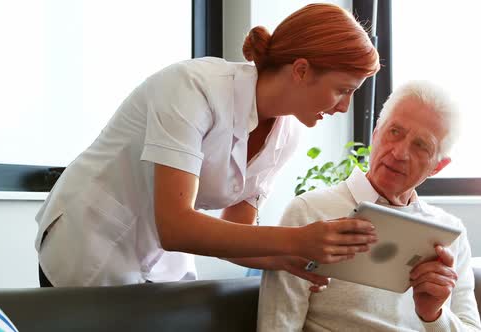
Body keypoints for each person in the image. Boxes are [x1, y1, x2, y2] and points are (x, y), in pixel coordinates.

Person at [35, 3, 380, 287]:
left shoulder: (287, 134)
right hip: (89, 238)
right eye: (343, 90)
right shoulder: (193, 88)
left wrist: (292, 260)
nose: (343, 108)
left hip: (161, 257)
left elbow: (238, 235)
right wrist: (296, 239)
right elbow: (176, 226)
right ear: (301, 70)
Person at [257, 81, 481, 331]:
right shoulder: (309, 211)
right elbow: (277, 325)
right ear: (376, 133)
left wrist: (433, 315)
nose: (399, 153)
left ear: (438, 167)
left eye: (421, 146)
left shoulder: (450, 232)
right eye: (394, 132)